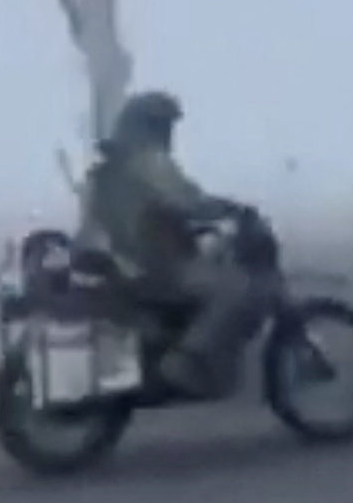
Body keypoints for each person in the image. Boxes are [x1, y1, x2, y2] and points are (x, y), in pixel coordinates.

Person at [85, 90, 272, 392]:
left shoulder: (109, 169)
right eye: (164, 125)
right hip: (159, 267)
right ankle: (186, 358)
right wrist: (232, 209)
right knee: (237, 288)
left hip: (129, 264)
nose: (169, 133)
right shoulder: (149, 161)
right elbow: (187, 201)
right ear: (149, 126)